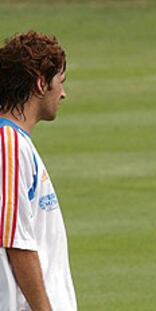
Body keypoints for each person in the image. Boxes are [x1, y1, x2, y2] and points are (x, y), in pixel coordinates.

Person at [0, 31, 77, 310]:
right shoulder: (8, 145)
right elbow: (15, 242)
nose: (64, 93)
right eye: (60, 82)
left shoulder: (17, 143)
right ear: (41, 83)